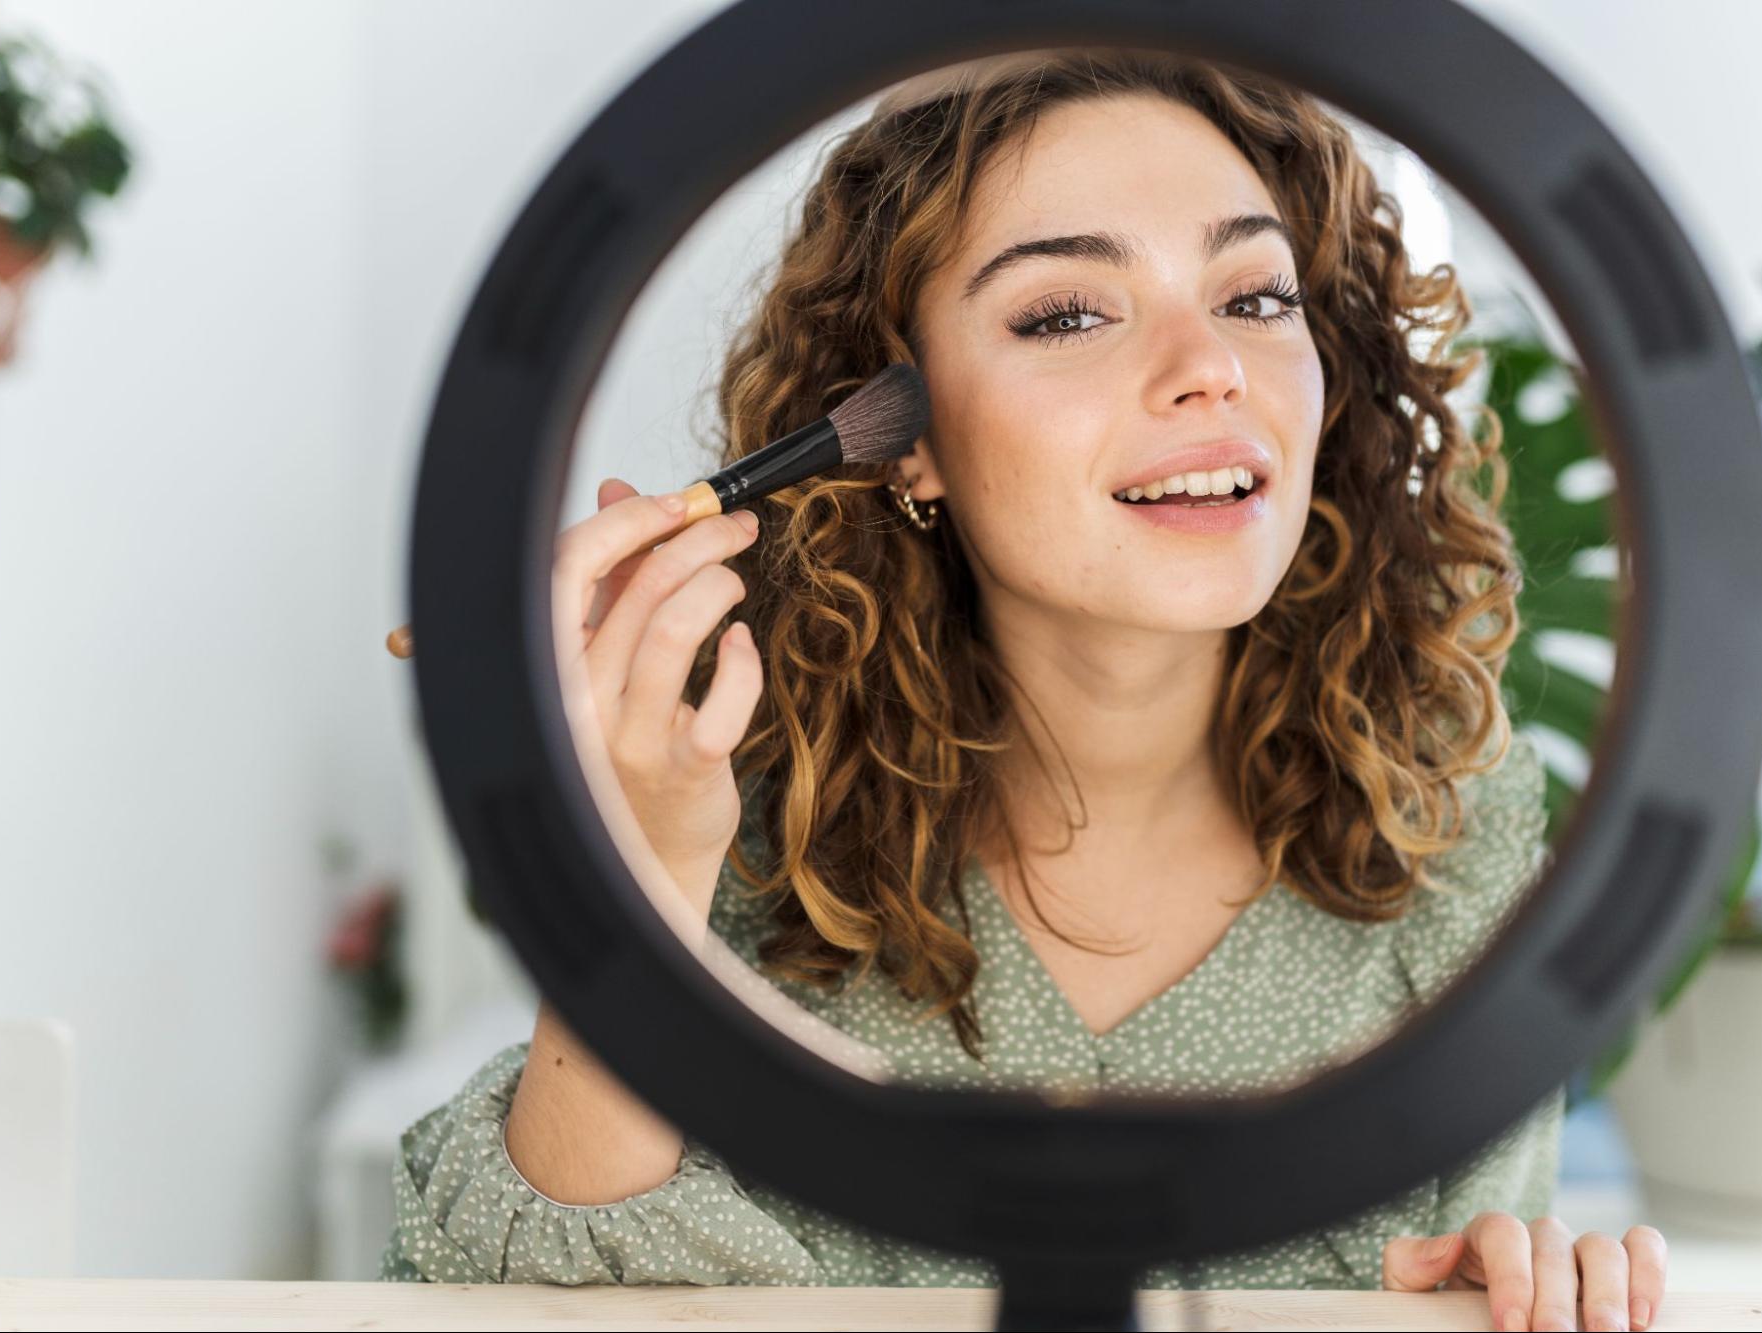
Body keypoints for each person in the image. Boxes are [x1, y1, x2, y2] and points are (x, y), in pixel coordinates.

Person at [382, 48, 1666, 1333]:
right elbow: (534, 1302)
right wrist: (640, 864)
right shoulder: (725, 800)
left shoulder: (1446, 804)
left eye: (1256, 296)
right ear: (910, 436)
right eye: (1066, 313)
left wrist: (1523, 1284)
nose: (1209, 365)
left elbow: (1463, 1277)